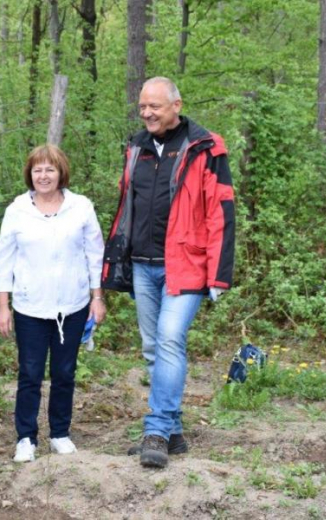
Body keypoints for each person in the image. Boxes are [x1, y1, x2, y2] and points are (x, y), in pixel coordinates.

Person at [102, 77, 235, 469]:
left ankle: (157, 428)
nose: (146, 114)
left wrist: (219, 275)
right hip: (143, 265)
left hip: (187, 265)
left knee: (170, 340)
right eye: (142, 107)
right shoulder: (136, 148)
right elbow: (128, 204)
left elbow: (221, 212)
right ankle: (173, 433)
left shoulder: (205, 147)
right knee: (152, 348)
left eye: (154, 107)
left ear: (177, 105)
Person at [0, 144, 106, 463]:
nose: (43, 176)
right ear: (30, 174)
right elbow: (4, 261)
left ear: (61, 173)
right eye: (37, 170)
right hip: (30, 307)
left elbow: (95, 255)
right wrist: (4, 306)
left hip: (72, 305)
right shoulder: (17, 210)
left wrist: (97, 298)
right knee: (29, 372)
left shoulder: (81, 207)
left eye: (50, 169)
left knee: (65, 371)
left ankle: (60, 433)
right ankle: (26, 438)